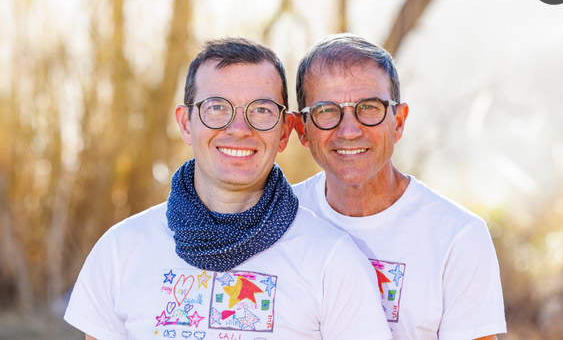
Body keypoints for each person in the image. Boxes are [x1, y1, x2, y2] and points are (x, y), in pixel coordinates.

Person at [64, 37, 392, 340]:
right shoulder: (121, 249)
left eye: (261, 110)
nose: (238, 129)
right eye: (217, 107)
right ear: (184, 123)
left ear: (284, 131)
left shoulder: (333, 261)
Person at [292, 33, 507, 340]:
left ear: (399, 121)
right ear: (302, 129)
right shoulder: (277, 219)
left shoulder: (458, 238)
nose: (350, 131)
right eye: (326, 110)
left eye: (369, 107)